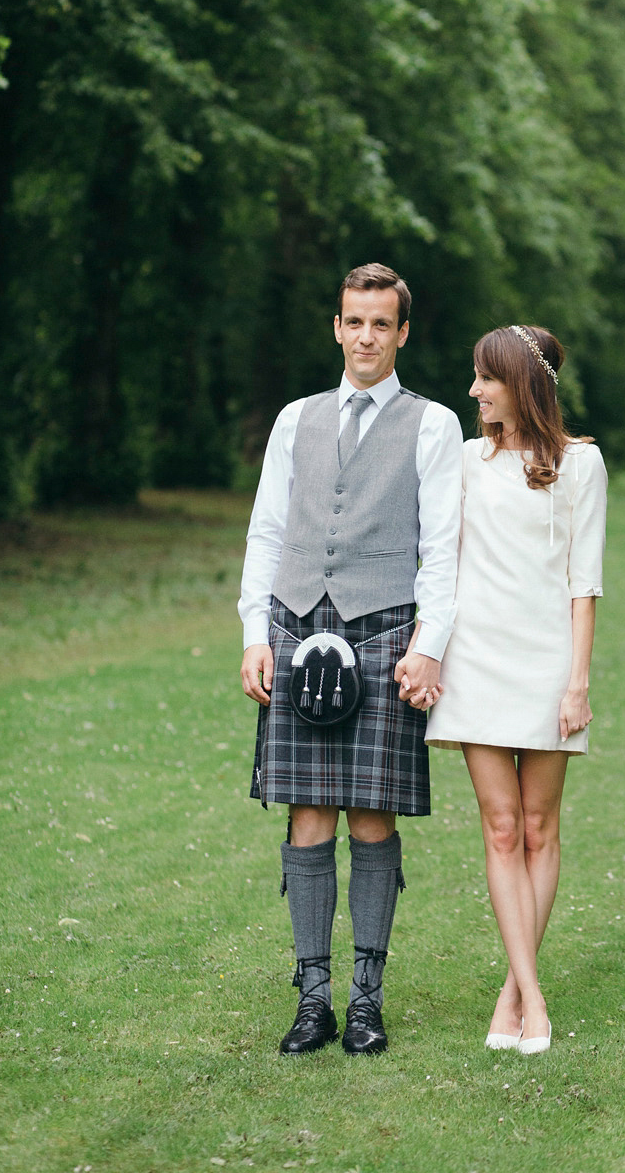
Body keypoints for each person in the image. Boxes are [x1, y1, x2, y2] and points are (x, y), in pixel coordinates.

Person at [239, 263, 462, 1058]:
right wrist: (253, 634)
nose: (365, 337)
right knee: (306, 817)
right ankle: (314, 1001)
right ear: (336, 327)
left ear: (402, 333)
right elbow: (267, 532)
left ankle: (367, 1002)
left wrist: (429, 644)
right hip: (295, 627)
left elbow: (441, 548)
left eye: (381, 324)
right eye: (353, 321)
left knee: (371, 817)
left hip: (384, 634)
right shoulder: (295, 419)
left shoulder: (433, 425)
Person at [425, 324, 607, 1055]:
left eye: (484, 379)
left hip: (547, 667)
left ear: (520, 384)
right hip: (475, 664)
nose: (473, 391)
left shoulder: (580, 465)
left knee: (540, 830)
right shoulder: (465, 461)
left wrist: (578, 683)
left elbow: (584, 583)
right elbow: (438, 564)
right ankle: (532, 998)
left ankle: (512, 991)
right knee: (500, 830)